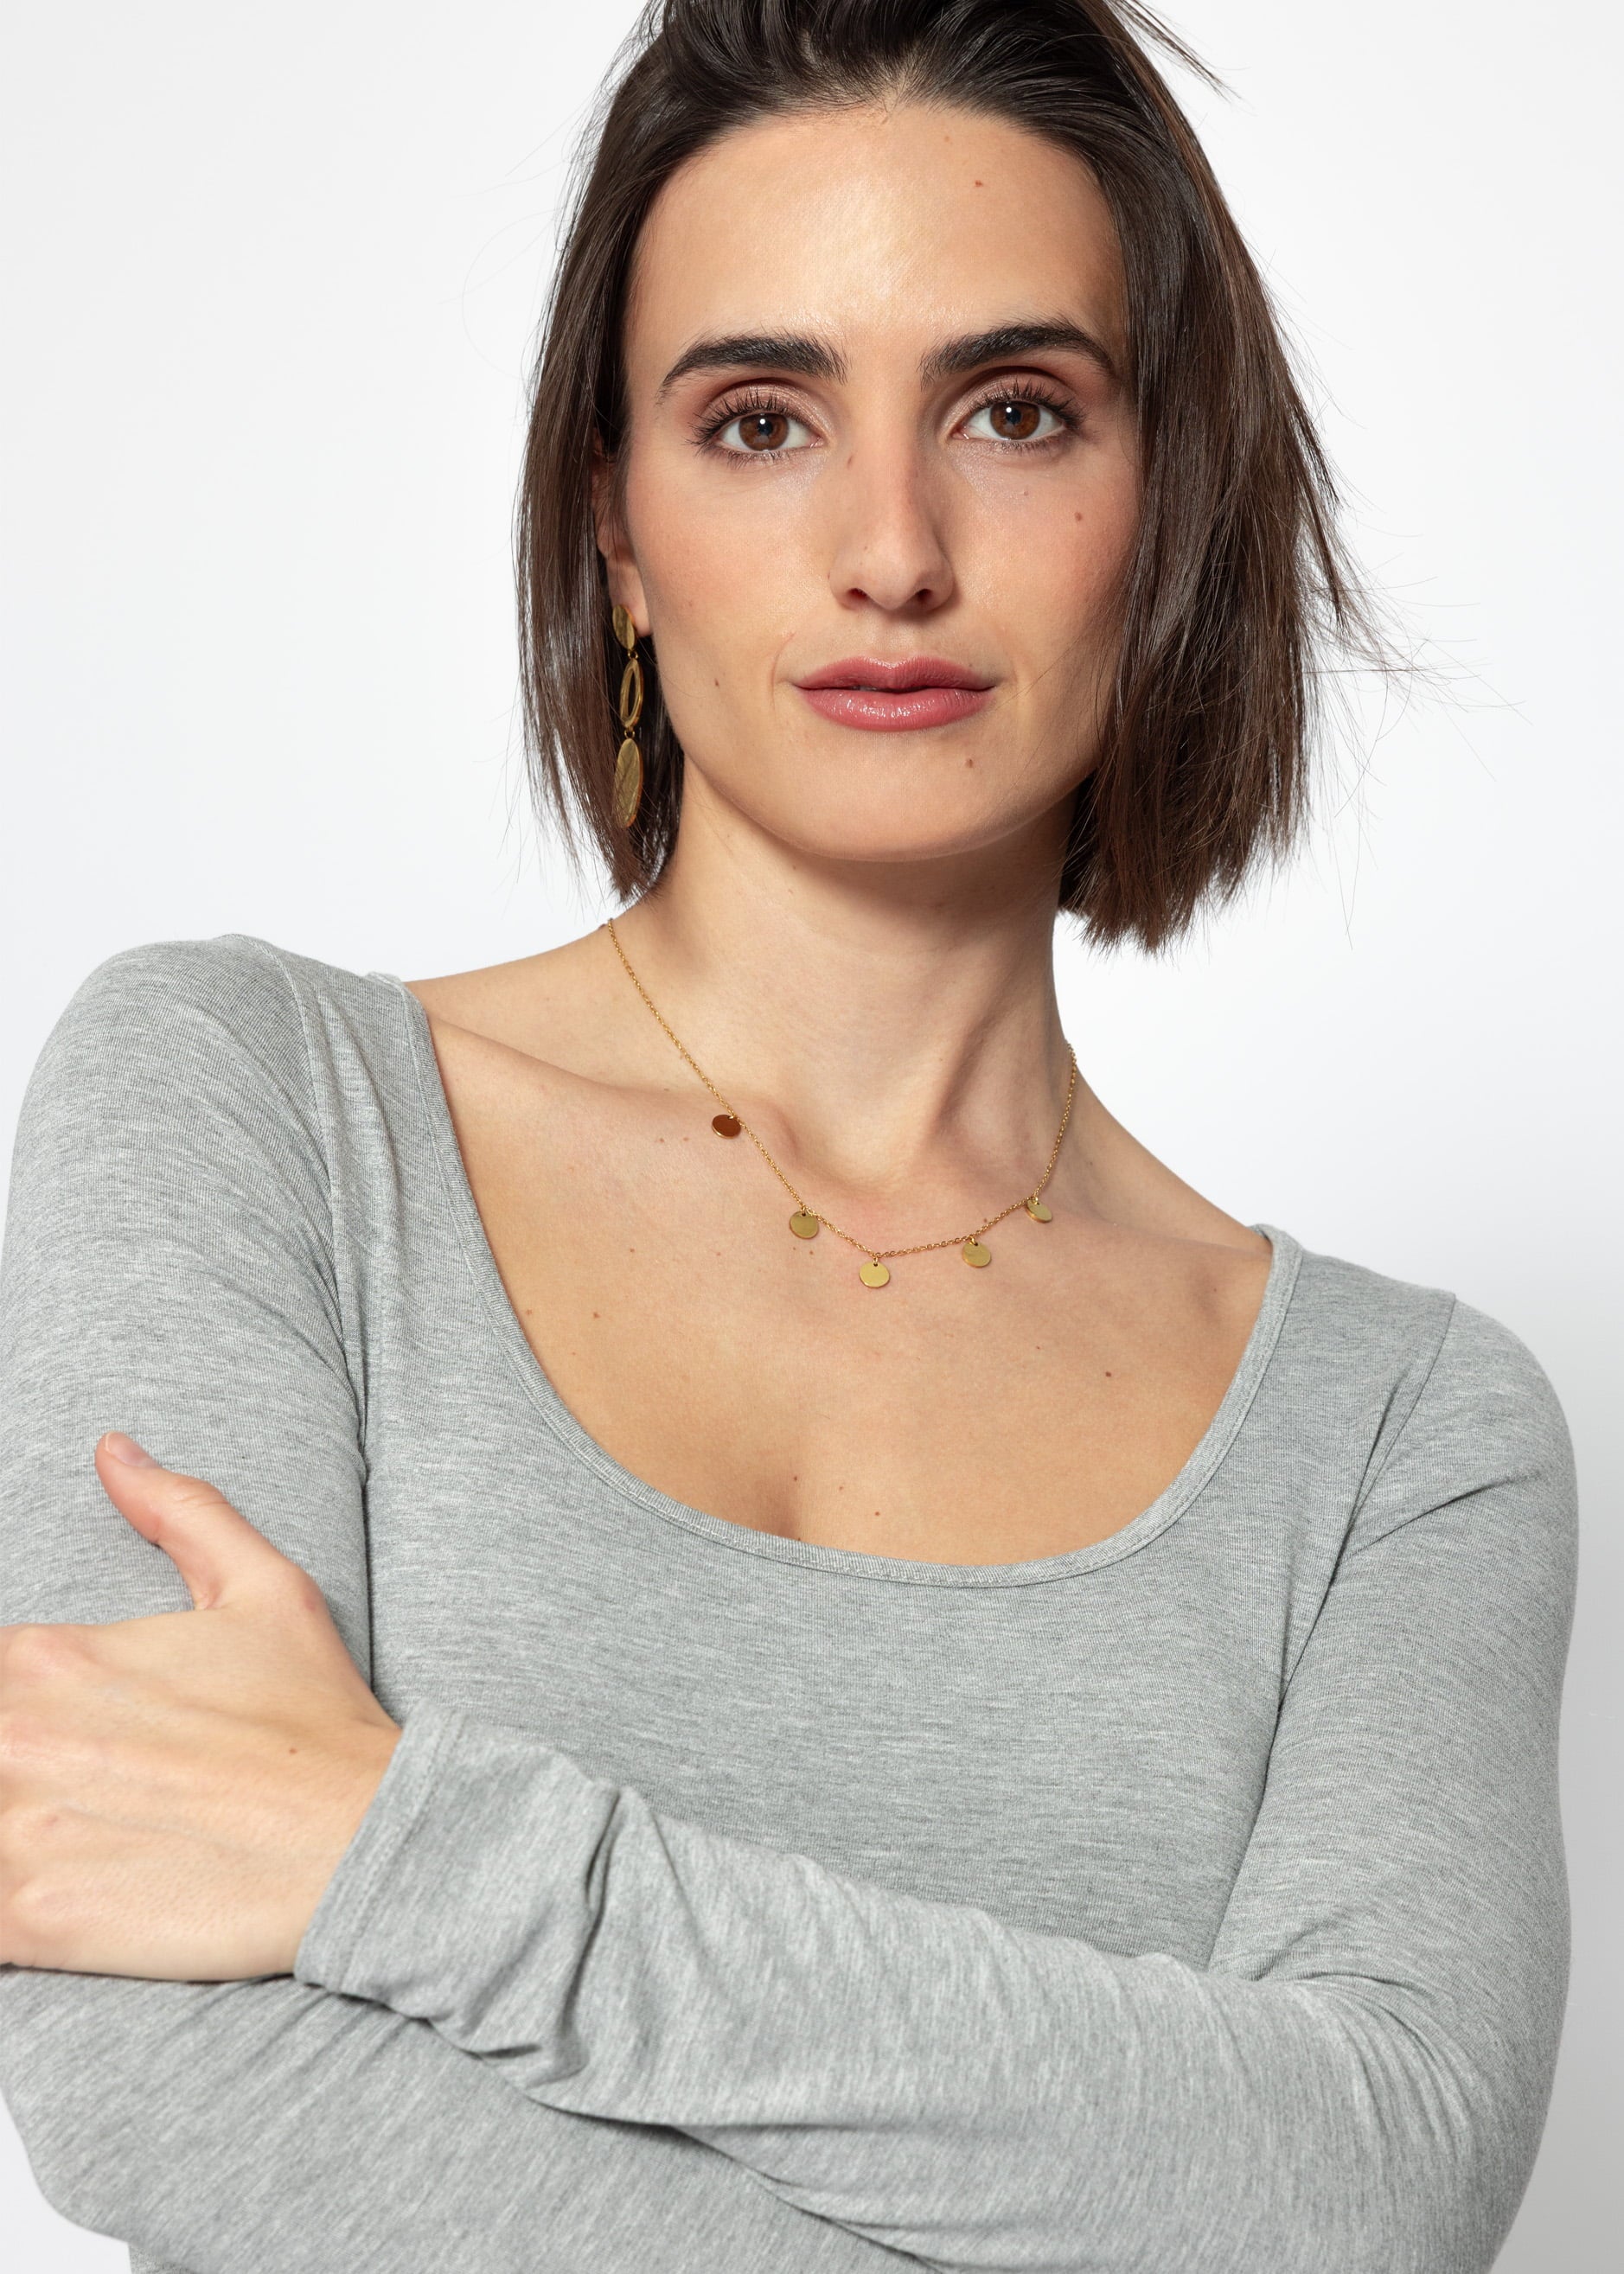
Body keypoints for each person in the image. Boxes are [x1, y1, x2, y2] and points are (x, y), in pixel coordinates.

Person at [0, 3, 1577, 2271]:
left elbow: (1366, 2194)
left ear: (1170, 503)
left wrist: (405, 1858)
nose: (892, 548)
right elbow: (161, 2079)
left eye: (1015, 411)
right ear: (617, 532)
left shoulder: (1404, 1440)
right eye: (760, 421)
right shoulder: (259, 1116)